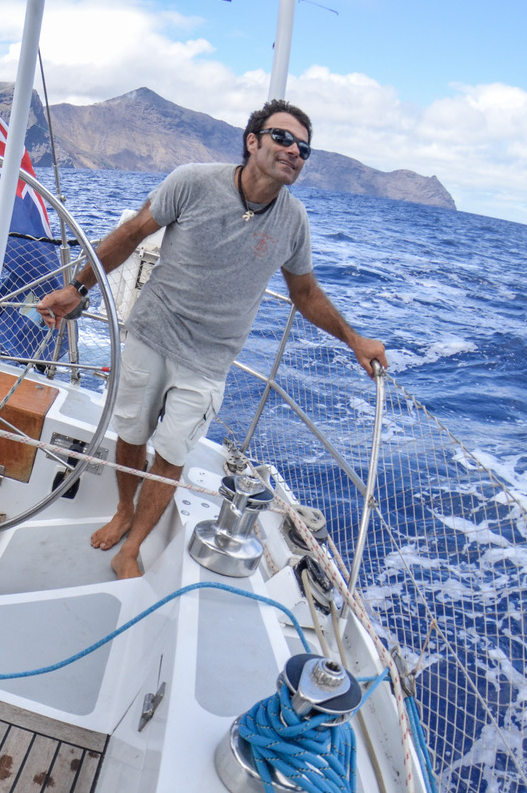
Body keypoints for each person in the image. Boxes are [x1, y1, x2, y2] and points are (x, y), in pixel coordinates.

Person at [36, 100, 388, 579]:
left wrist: (354, 339)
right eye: (283, 138)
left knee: (174, 452)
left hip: (209, 358)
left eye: (304, 148)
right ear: (253, 141)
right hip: (152, 331)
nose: (294, 151)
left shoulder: (294, 222)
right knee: (132, 434)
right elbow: (134, 233)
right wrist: (77, 289)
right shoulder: (194, 181)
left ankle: (132, 545)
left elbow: (304, 294)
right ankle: (123, 508)